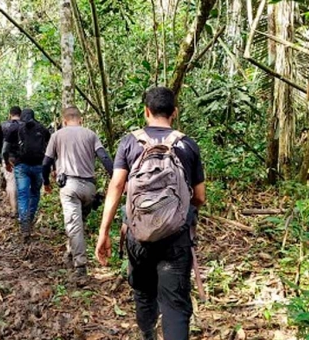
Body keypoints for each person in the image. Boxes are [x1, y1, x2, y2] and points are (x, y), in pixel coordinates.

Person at [95, 87, 206, 340]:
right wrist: (180, 213)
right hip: (176, 239)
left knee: (144, 294)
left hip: (138, 236)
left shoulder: (129, 142)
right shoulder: (188, 145)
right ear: (174, 113)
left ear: (146, 111)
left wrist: (104, 232)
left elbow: (117, 186)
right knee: (175, 305)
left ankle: (148, 336)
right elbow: (200, 196)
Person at [42, 106, 114, 278]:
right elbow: (104, 157)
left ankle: (80, 267)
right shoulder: (90, 134)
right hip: (89, 187)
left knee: (74, 225)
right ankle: (70, 252)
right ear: (80, 119)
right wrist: (115, 177)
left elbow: (46, 163)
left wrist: (45, 182)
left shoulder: (57, 135)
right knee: (78, 222)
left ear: (64, 120)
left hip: (69, 186)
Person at [3, 108, 51, 242]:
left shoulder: (14, 129)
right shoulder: (42, 129)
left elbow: (5, 150)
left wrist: (7, 162)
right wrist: (51, 167)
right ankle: (29, 218)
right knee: (35, 193)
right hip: (38, 166)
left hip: (21, 166)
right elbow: (50, 149)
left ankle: (24, 224)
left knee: (23, 194)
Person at [0, 106, 21, 216]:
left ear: (10, 114)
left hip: (8, 156)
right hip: (22, 158)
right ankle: (23, 207)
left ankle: (14, 208)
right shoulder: (25, 125)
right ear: (20, 114)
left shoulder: (4, 125)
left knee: (11, 181)